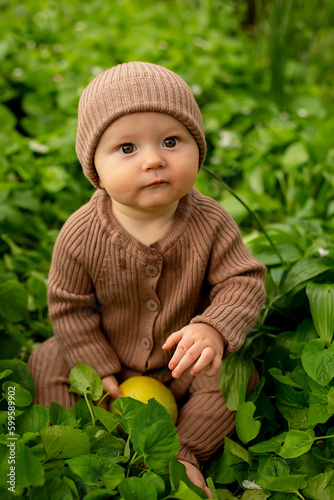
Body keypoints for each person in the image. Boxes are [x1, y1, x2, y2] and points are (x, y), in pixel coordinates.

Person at [28, 61, 266, 497]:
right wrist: (97, 367)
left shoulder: (211, 221)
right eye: (126, 149)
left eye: (171, 141)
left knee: (235, 371)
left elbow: (243, 280)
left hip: (185, 362)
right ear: (94, 168)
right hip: (109, 358)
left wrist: (212, 329)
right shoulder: (82, 233)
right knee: (48, 359)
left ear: (198, 148)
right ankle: (72, 445)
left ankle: (182, 452)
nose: (154, 159)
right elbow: (69, 306)